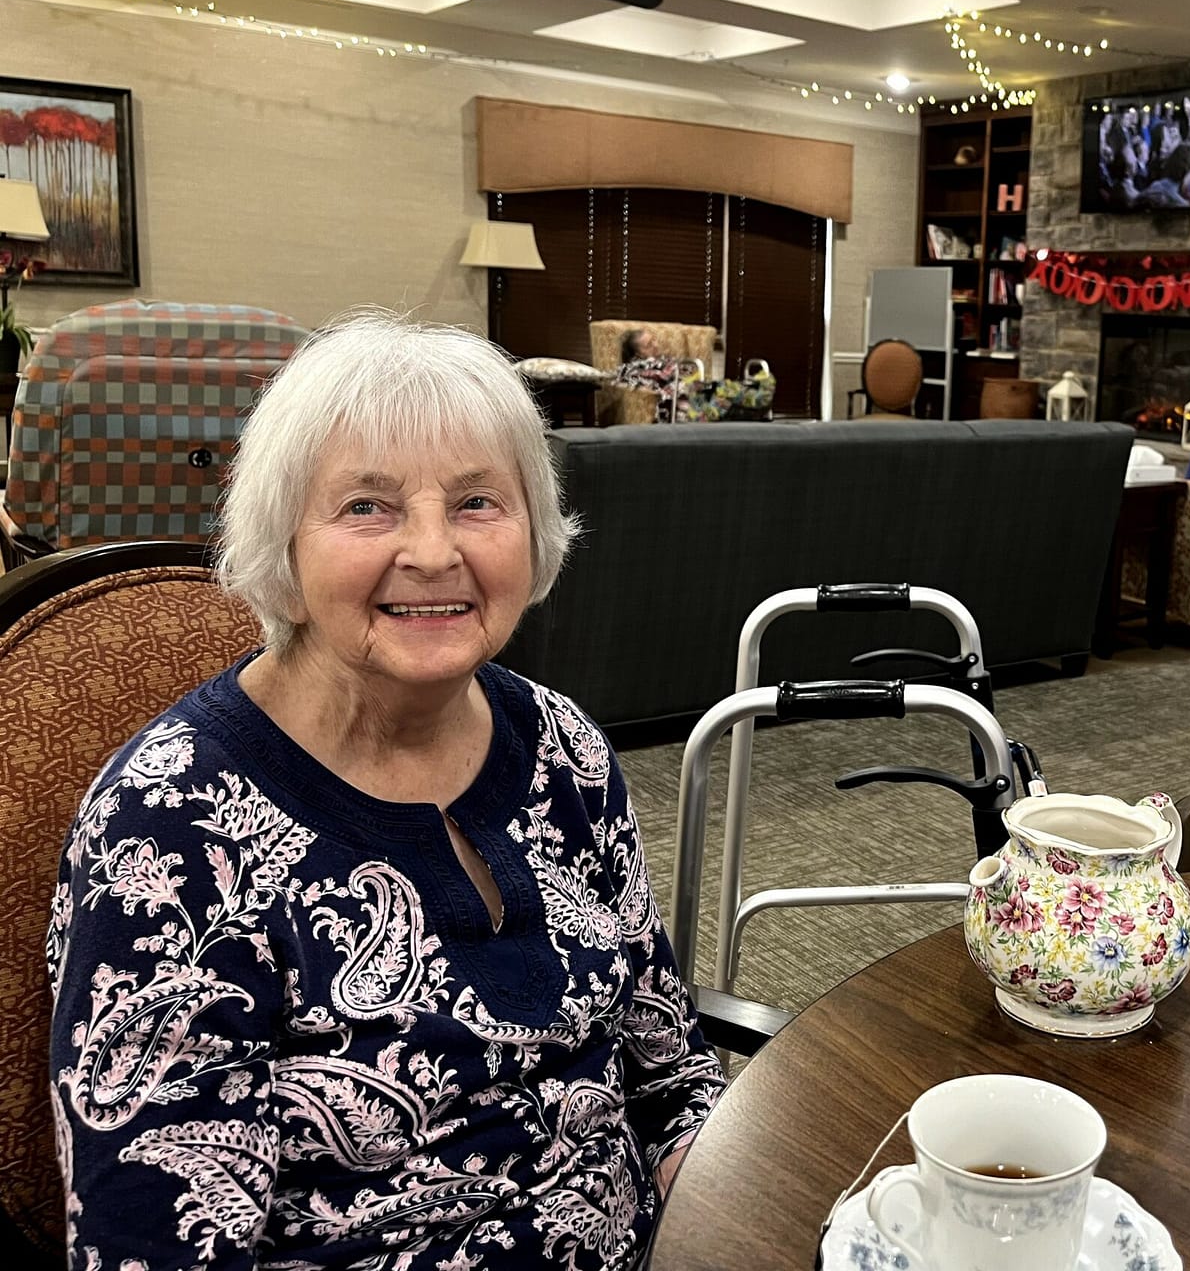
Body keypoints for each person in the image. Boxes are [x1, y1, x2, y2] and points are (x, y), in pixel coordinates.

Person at [47, 310, 726, 1269]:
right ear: (283, 544)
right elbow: (160, 1245)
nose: (434, 551)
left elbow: (667, 1070)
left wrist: (749, 1205)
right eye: (368, 506)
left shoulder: (562, 746)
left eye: (478, 502)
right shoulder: (166, 830)